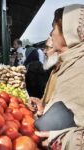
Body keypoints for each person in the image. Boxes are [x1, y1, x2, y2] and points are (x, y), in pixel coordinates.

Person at [29, 4, 84, 150]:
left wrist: (64, 141)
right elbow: (68, 110)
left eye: (54, 28)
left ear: (68, 32)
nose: (51, 33)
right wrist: (44, 109)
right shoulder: (68, 64)